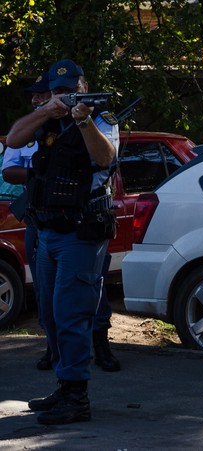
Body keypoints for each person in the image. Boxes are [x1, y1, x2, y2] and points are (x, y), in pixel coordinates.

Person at [6, 58, 119, 424]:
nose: (65, 95)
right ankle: (64, 383)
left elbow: (105, 158)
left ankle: (77, 396)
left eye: (71, 89)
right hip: (49, 228)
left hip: (81, 230)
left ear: (83, 87)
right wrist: (47, 111)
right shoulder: (47, 118)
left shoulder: (101, 118)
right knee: (52, 316)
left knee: (72, 313)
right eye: (58, 91)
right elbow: (15, 137)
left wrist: (82, 118)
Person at [2, 71, 51, 369]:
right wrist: (41, 174)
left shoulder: (71, 126)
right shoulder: (25, 130)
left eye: (41, 93)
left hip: (71, 217)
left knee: (88, 288)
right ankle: (51, 345)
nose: (34, 99)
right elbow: (8, 171)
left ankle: (99, 344)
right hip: (36, 215)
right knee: (44, 286)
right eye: (33, 95)